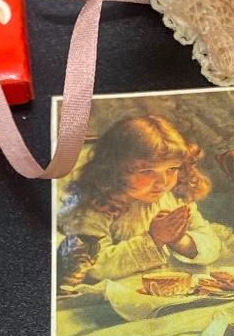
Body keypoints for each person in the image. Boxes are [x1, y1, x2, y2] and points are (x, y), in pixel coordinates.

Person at [57, 114, 221, 289]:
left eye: (172, 169)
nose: (162, 182)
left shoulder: (173, 198)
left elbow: (212, 245)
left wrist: (179, 241)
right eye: (147, 171)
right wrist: (154, 240)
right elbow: (91, 269)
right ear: (115, 170)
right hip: (111, 295)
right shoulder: (96, 205)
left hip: (159, 290)